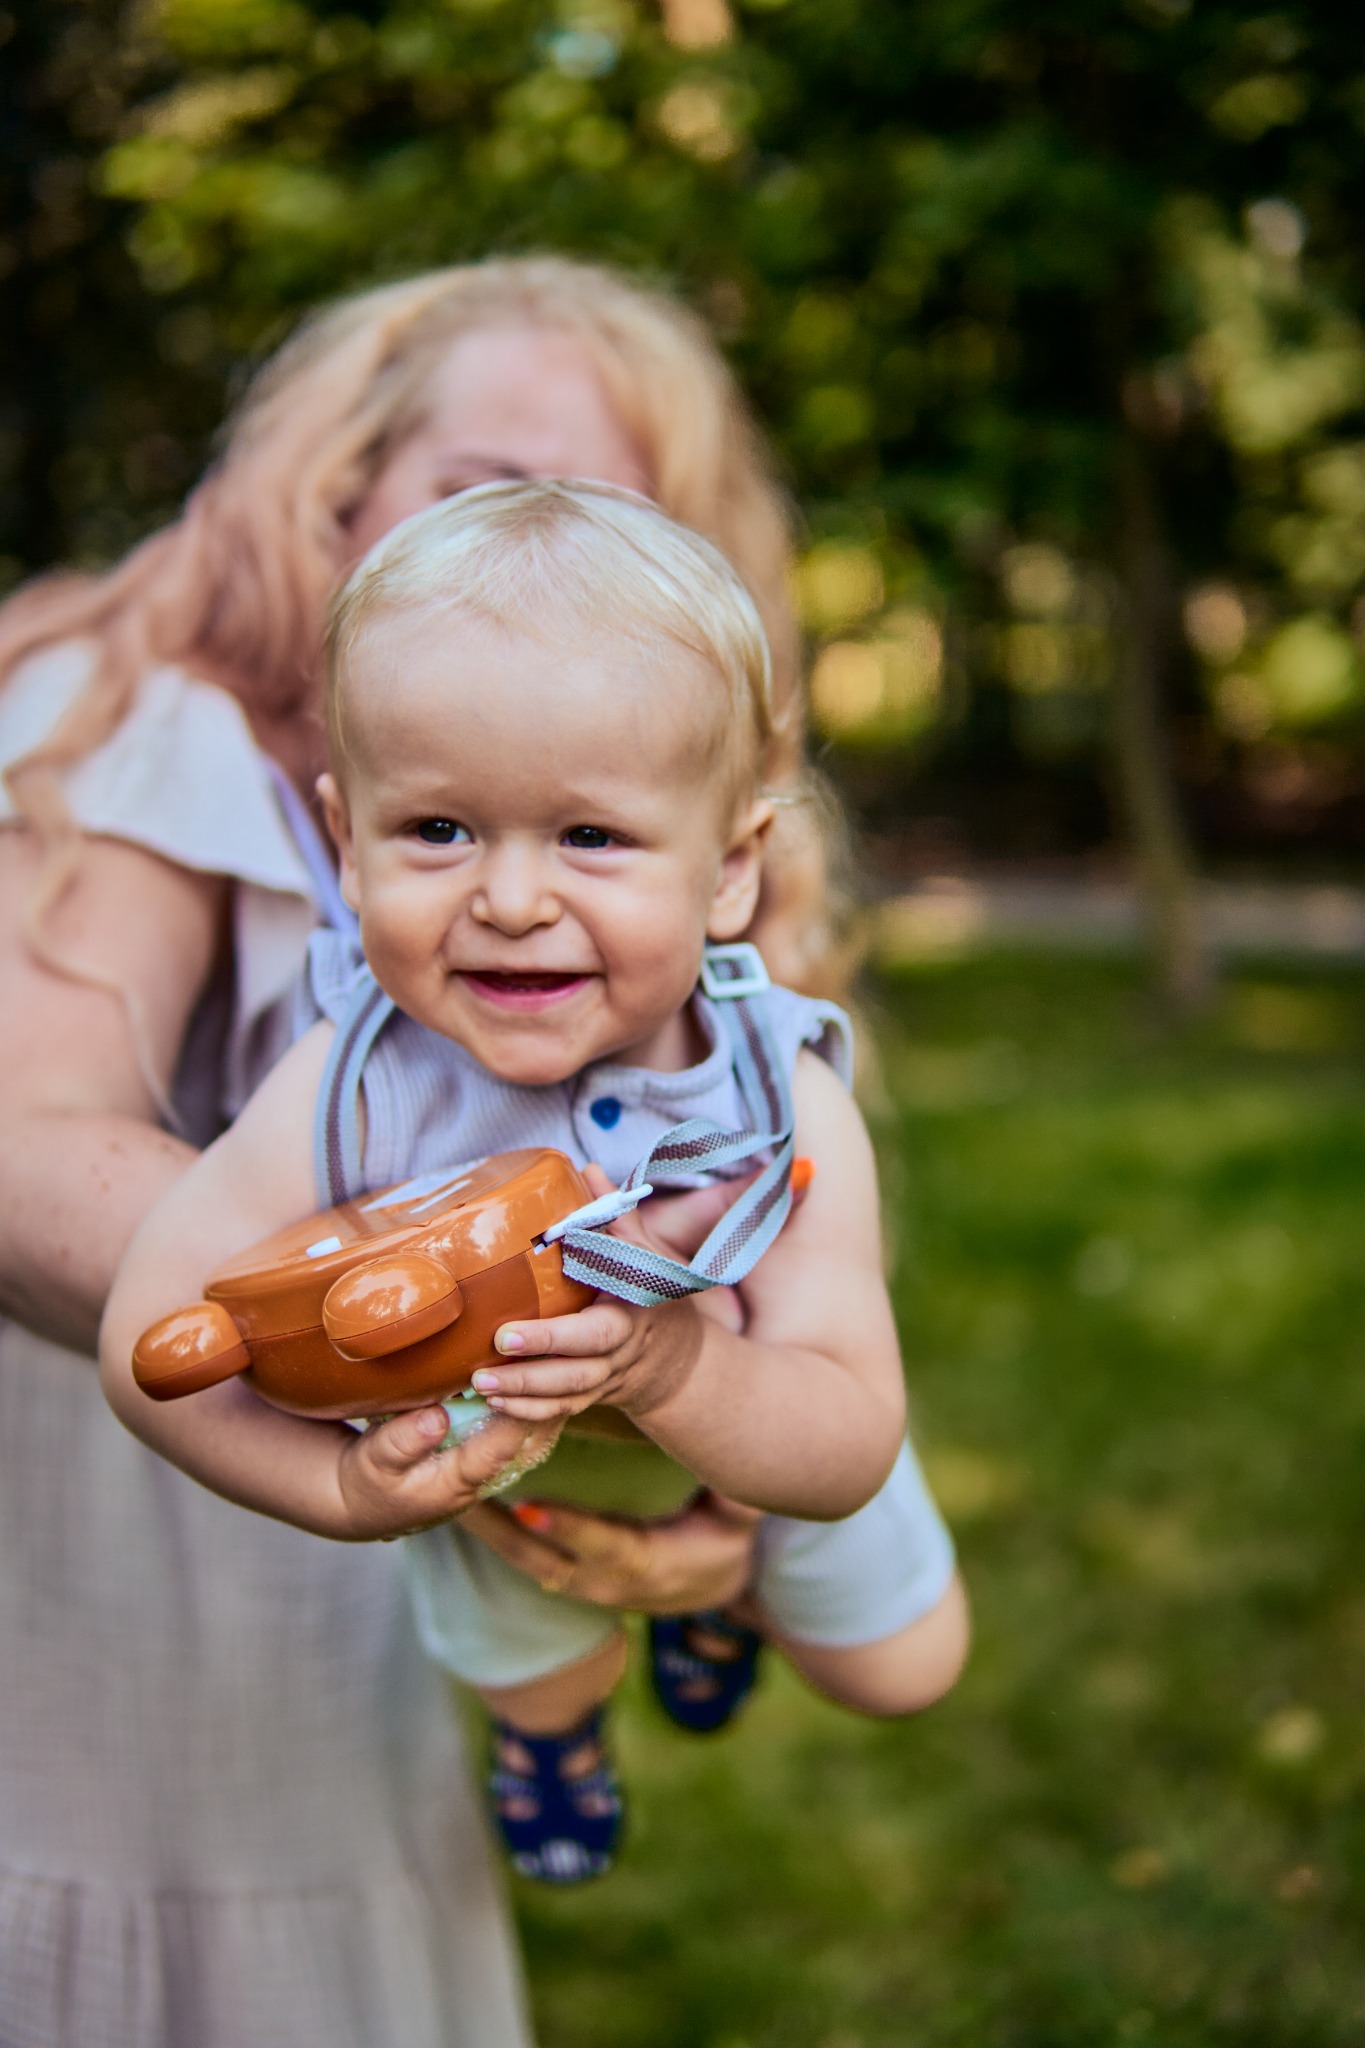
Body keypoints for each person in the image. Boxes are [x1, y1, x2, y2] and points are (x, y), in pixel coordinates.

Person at [0, 256, 856, 2047]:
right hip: (124, 1589)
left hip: (379, 1591)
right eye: (479, 495)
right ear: (336, 493)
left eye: (610, 519)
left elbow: (751, 1239)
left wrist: (703, 1432)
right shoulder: (138, 719)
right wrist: (517, 1323)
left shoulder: (591, 846)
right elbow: (19, 1146)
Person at [101, 479, 967, 1890]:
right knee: (540, 1662)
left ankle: (718, 1607)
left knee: (902, 1670)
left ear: (731, 869)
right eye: (438, 831)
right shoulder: (348, 1075)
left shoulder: (773, 1093)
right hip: (499, 1469)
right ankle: (551, 1743)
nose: (509, 897)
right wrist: (342, 1495)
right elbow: (147, 1344)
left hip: (767, 1412)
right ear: (344, 839)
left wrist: (674, 1367)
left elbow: (850, 1426)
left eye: (592, 837)